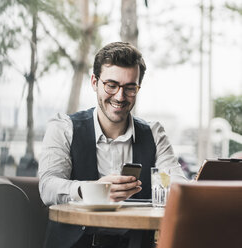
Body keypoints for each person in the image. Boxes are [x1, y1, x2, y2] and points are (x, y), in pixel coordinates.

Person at [38, 41, 187, 248]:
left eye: (129, 88)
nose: (120, 96)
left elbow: (178, 186)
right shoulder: (63, 127)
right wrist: (92, 190)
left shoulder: (154, 133)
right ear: (94, 82)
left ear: (138, 88)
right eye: (111, 85)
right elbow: (47, 187)